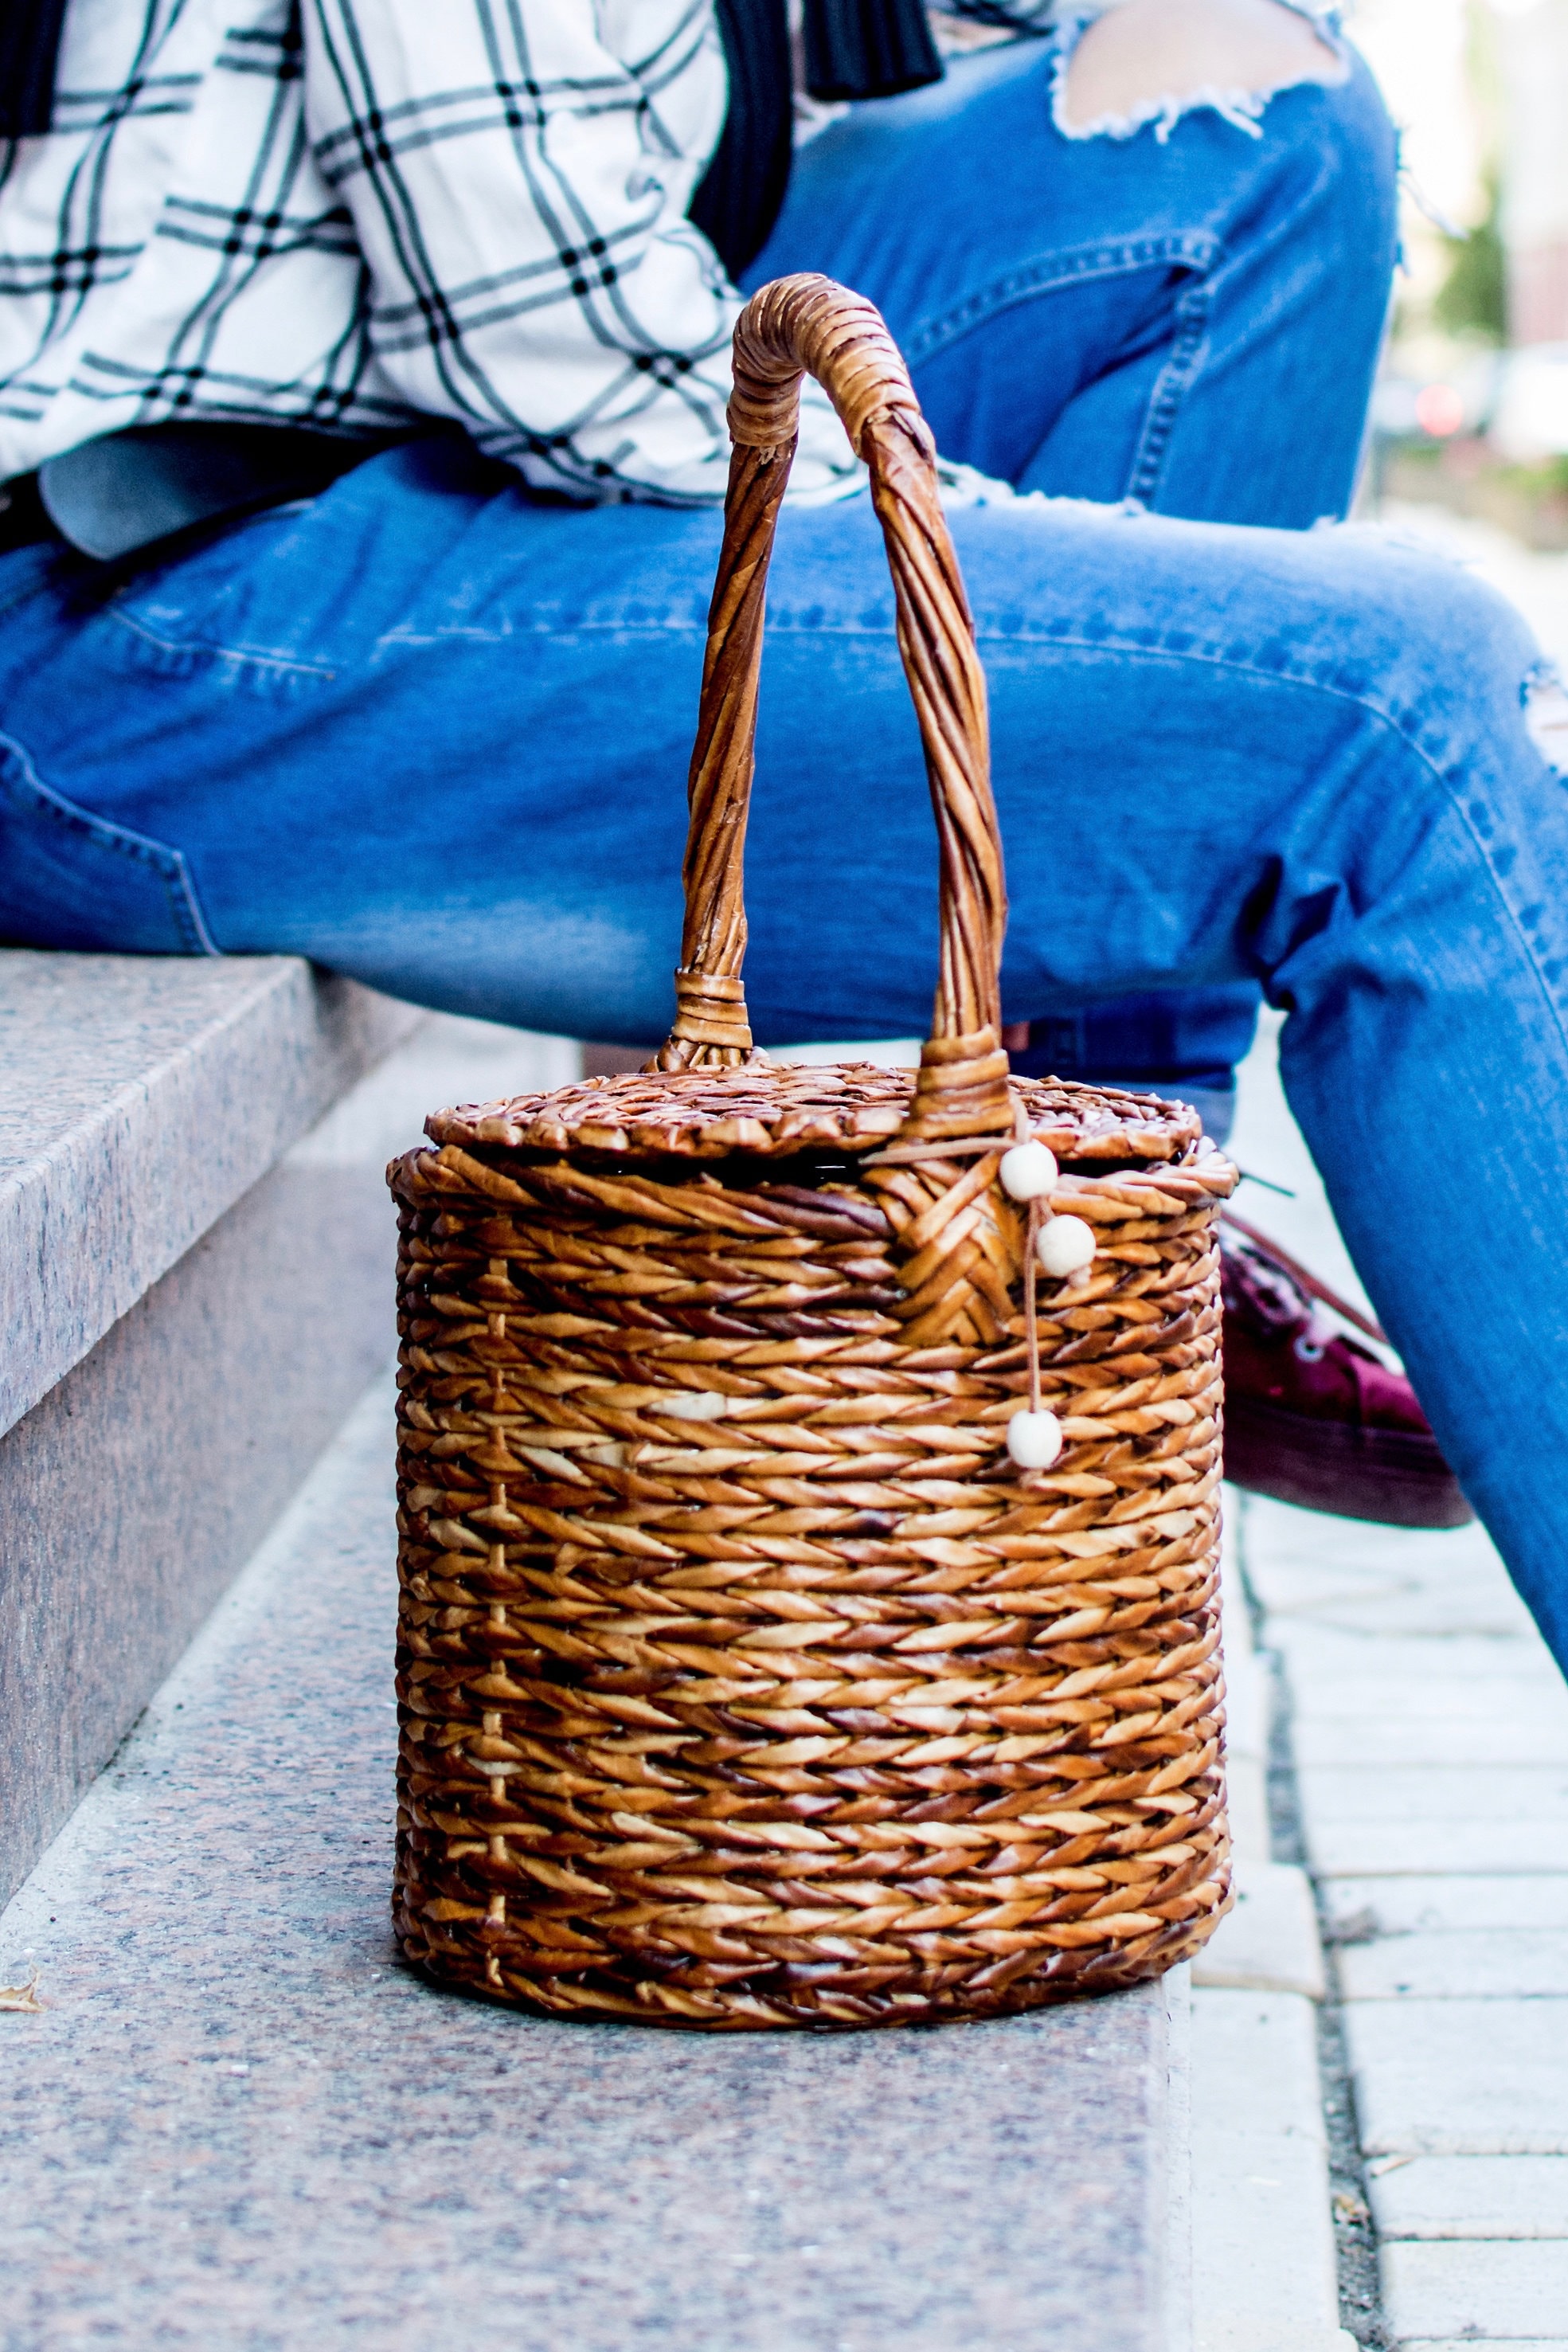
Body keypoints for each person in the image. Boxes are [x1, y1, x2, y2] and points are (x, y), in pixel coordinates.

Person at [2, 2, 1566, 1665]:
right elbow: (543, 318)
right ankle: (1095, 1216)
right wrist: (1050, 598)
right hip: (148, 601)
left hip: (418, 442)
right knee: (1401, 708)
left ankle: (1104, 1201)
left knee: (1269, 112)